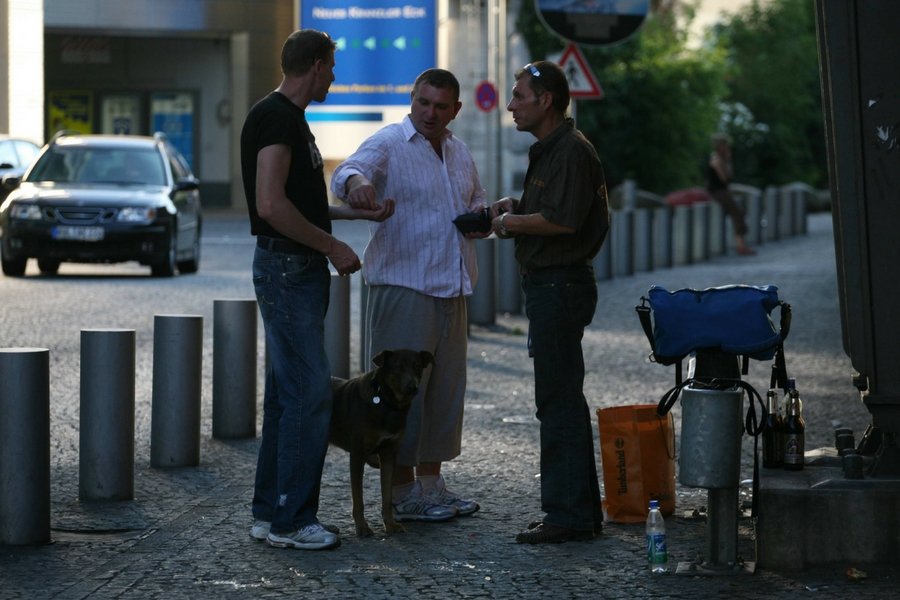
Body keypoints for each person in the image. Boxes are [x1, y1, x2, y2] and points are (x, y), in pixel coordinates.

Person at [240, 29, 394, 551]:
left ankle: (270, 514)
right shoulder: (277, 117)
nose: (335, 75)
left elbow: (296, 202)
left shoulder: (289, 119)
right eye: (331, 66)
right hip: (289, 271)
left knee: (287, 397)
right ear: (313, 65)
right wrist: (332, 246)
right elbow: (269, 204)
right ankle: (292, 521)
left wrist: (357, 213)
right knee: (309, 395)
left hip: (291, 269)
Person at [330, 68, 486, 524]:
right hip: (403, 284)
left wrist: (488, 213)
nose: (430, 113)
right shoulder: (391, 142)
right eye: (423, 103)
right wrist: (360, 187)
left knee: (443, 391)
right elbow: (349, 171)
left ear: (455, 109)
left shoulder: (458, 151)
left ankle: (432, 485)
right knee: (397, 394)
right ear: (412, 100)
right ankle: (400, 491)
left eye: (441, 106)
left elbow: (473, 200)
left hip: (452, 285)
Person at [489, 61, 609, 544]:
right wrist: (516, 209)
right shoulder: (553, 150)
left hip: (559, 286)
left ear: (546, 101)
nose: (511, 104)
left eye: (519, 95)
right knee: (561, 399)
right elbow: (553, 210)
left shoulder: (570, 151)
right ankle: (578, 512)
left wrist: (509, 225)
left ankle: (568, 516)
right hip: (552, 285)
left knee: (557, 401)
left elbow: (561, 221)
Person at [707, 134, 754, 255]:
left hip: (722, 190)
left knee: (738, 212)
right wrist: (726, 162)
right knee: (736, 212)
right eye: (725, 145)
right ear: (720, 146)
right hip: (717, 191)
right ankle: (740, 245)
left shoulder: (721, 159)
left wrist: (728, 160)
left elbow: (729, 176)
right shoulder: (716, 160)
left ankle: (741, 243)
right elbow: (725, 178)